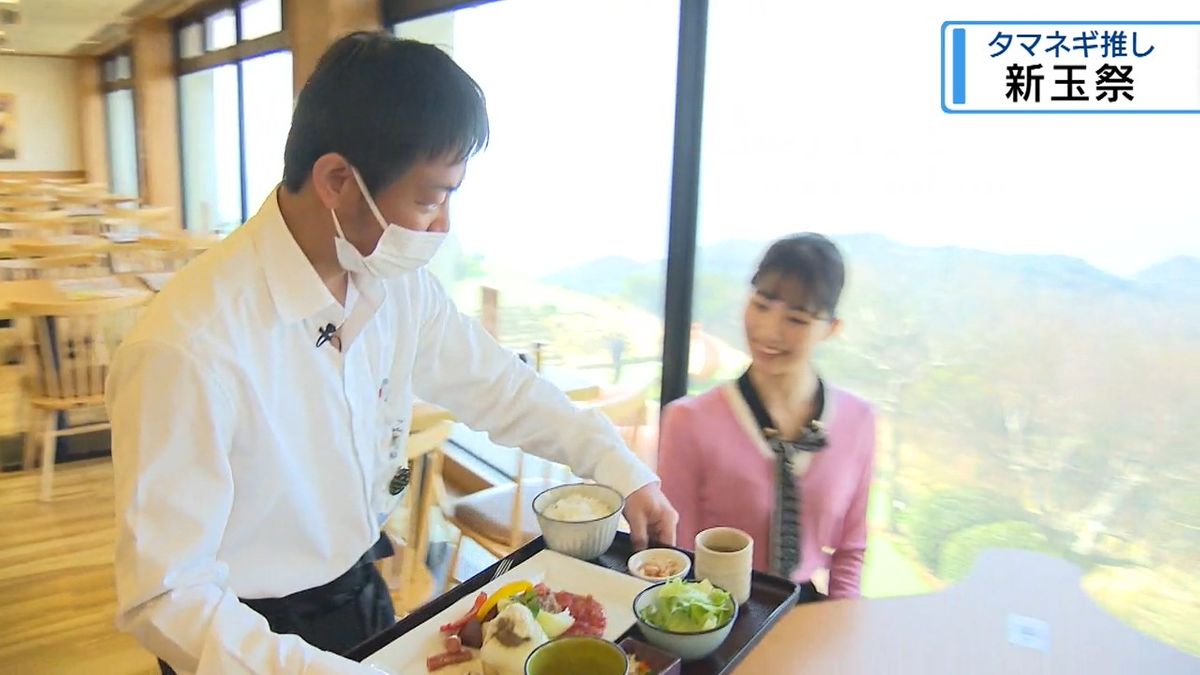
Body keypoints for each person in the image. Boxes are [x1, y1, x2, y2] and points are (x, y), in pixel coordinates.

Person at [107, 32, 676, 675]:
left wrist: (620, 466)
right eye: (430, 198)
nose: (443, 226)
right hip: (241, 641)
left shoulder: (393, 284)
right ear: (337, 180)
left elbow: (501, 386)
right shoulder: (187, 346)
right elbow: (167, 595)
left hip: (361, 593)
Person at [658, 234, 875, 601]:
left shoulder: (858, 421)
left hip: (809, 613)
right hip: (713, 610)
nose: (769, 331)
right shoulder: (689, 421)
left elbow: (851, 550)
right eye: (760, 305)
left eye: (796, 319)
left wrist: (840, 622)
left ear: (832, 328)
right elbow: (677, 556)